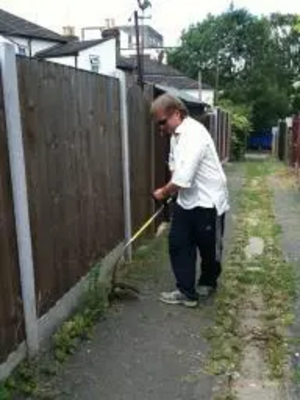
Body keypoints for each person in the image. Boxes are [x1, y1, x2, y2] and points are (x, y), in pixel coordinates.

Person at [151, 94, 229, 308]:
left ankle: (208, 281)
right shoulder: (175, 136)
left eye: (162, 123)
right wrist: (175, 187)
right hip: (187, 200)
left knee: (208, 247)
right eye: (158, 125)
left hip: (208, 200)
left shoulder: (193, 133)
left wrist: (163, 192)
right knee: (178, 243)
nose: (160, 129)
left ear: (176, 114)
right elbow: (176, 169)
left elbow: (183, 178)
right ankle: (186, 292)